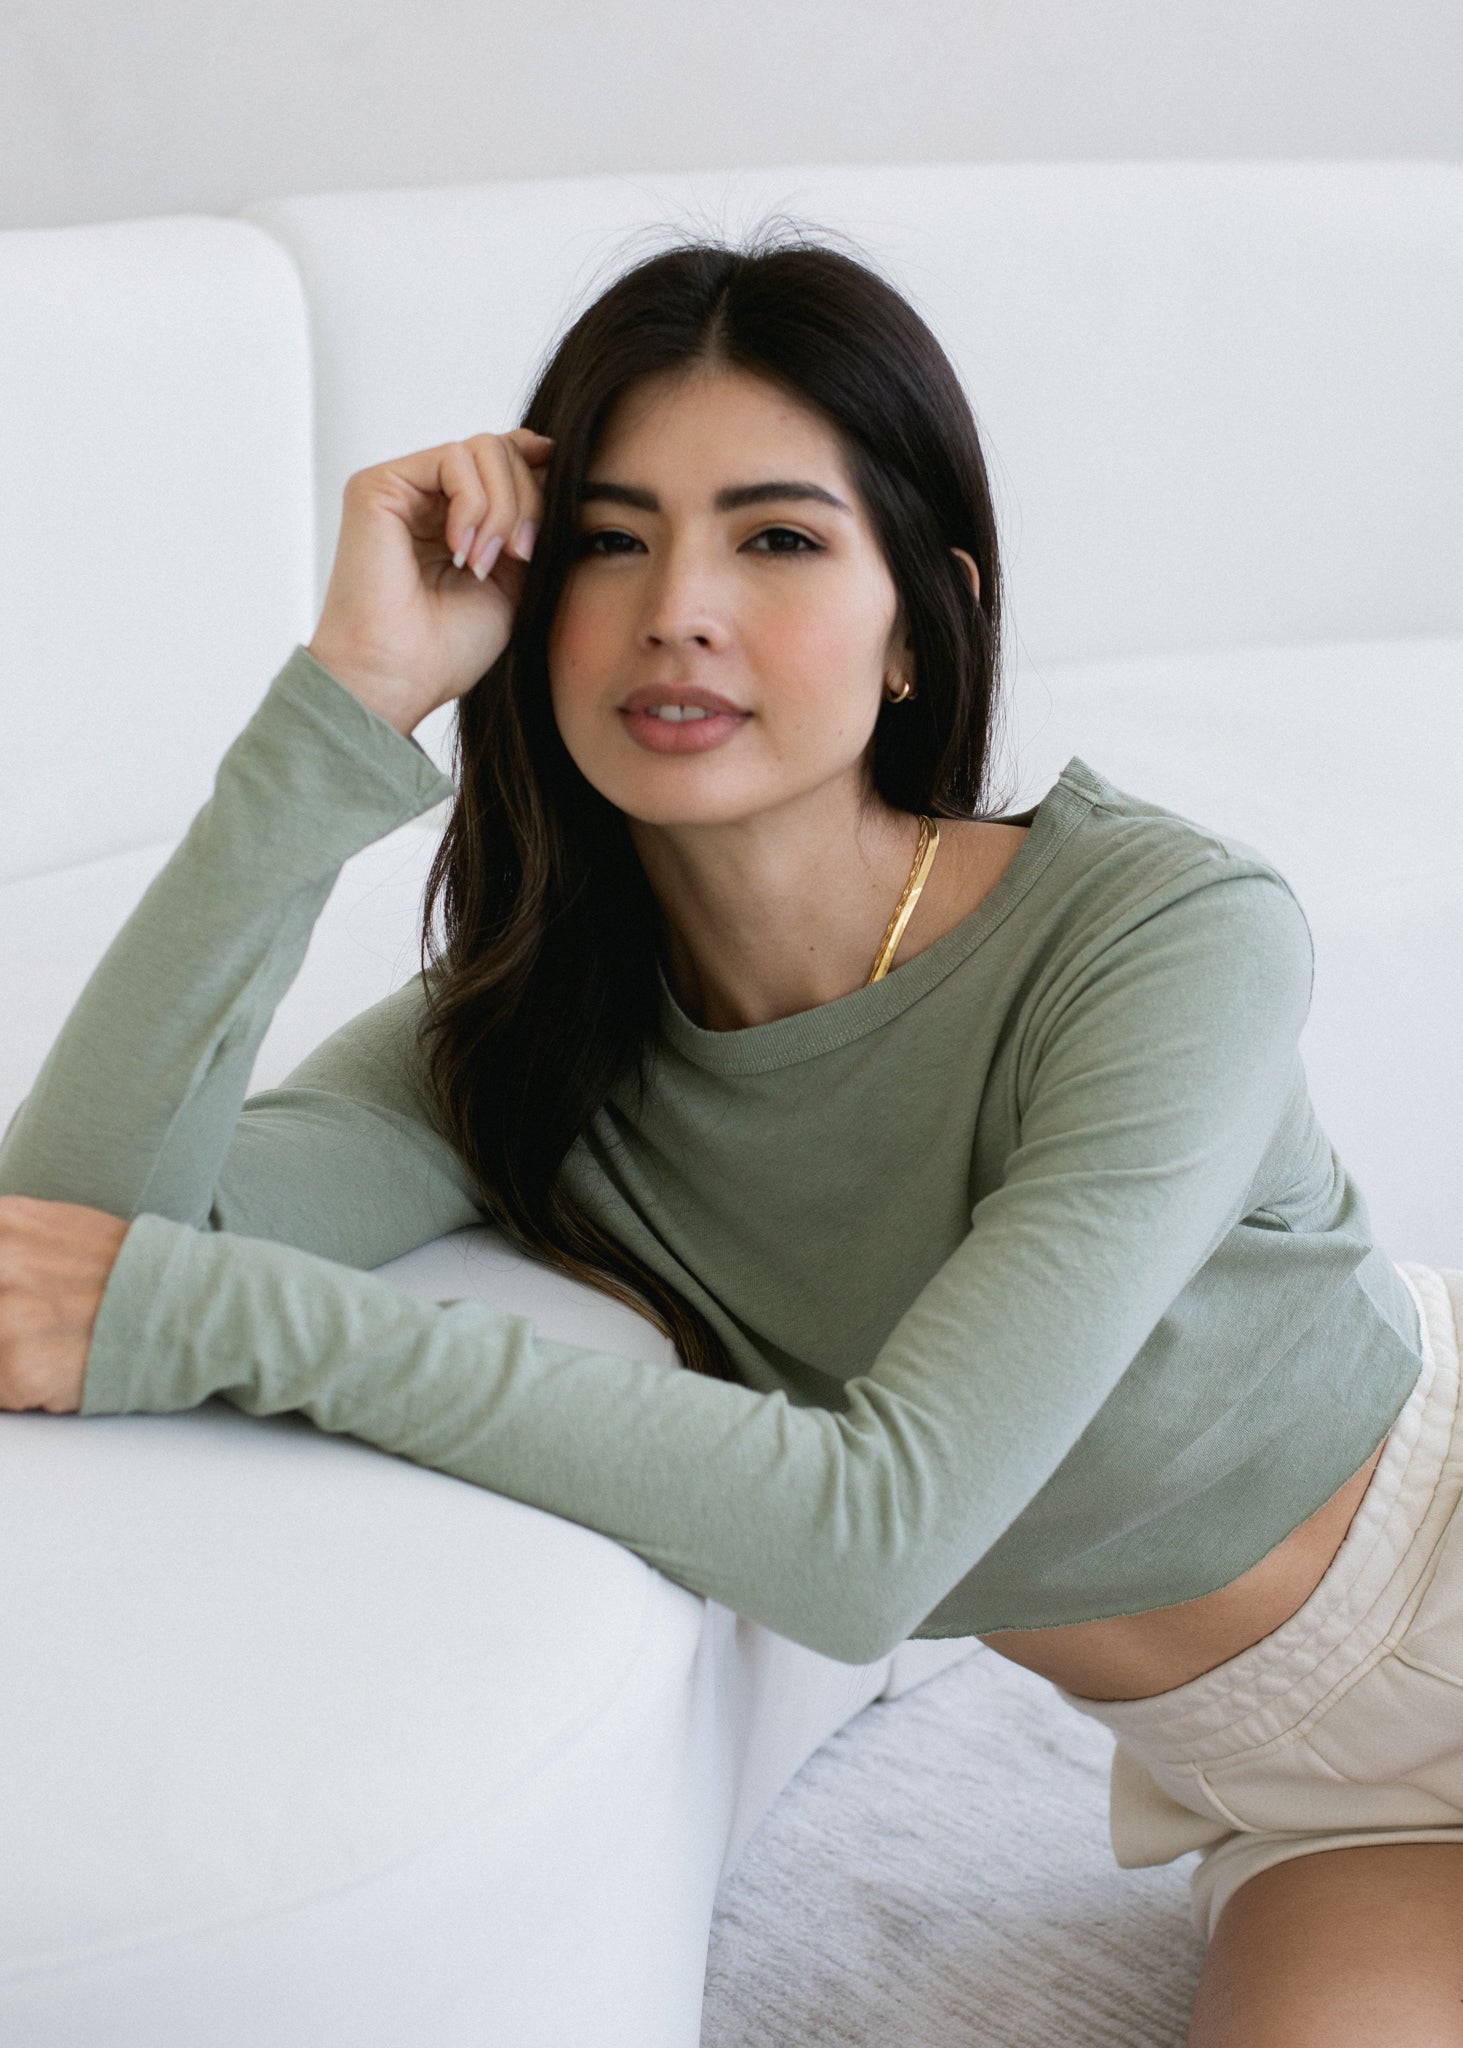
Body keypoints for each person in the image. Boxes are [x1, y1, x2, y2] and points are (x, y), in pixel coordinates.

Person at [1, 231, 1460, 2044]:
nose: (678, 606)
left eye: (776, 538)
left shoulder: (1162, 933)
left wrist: (210, 1320)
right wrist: (351, 698)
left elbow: (874, 1540)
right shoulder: (536, 1053)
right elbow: (55, 1247)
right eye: (611, 540)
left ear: (926, 613)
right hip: (1296, 1798)